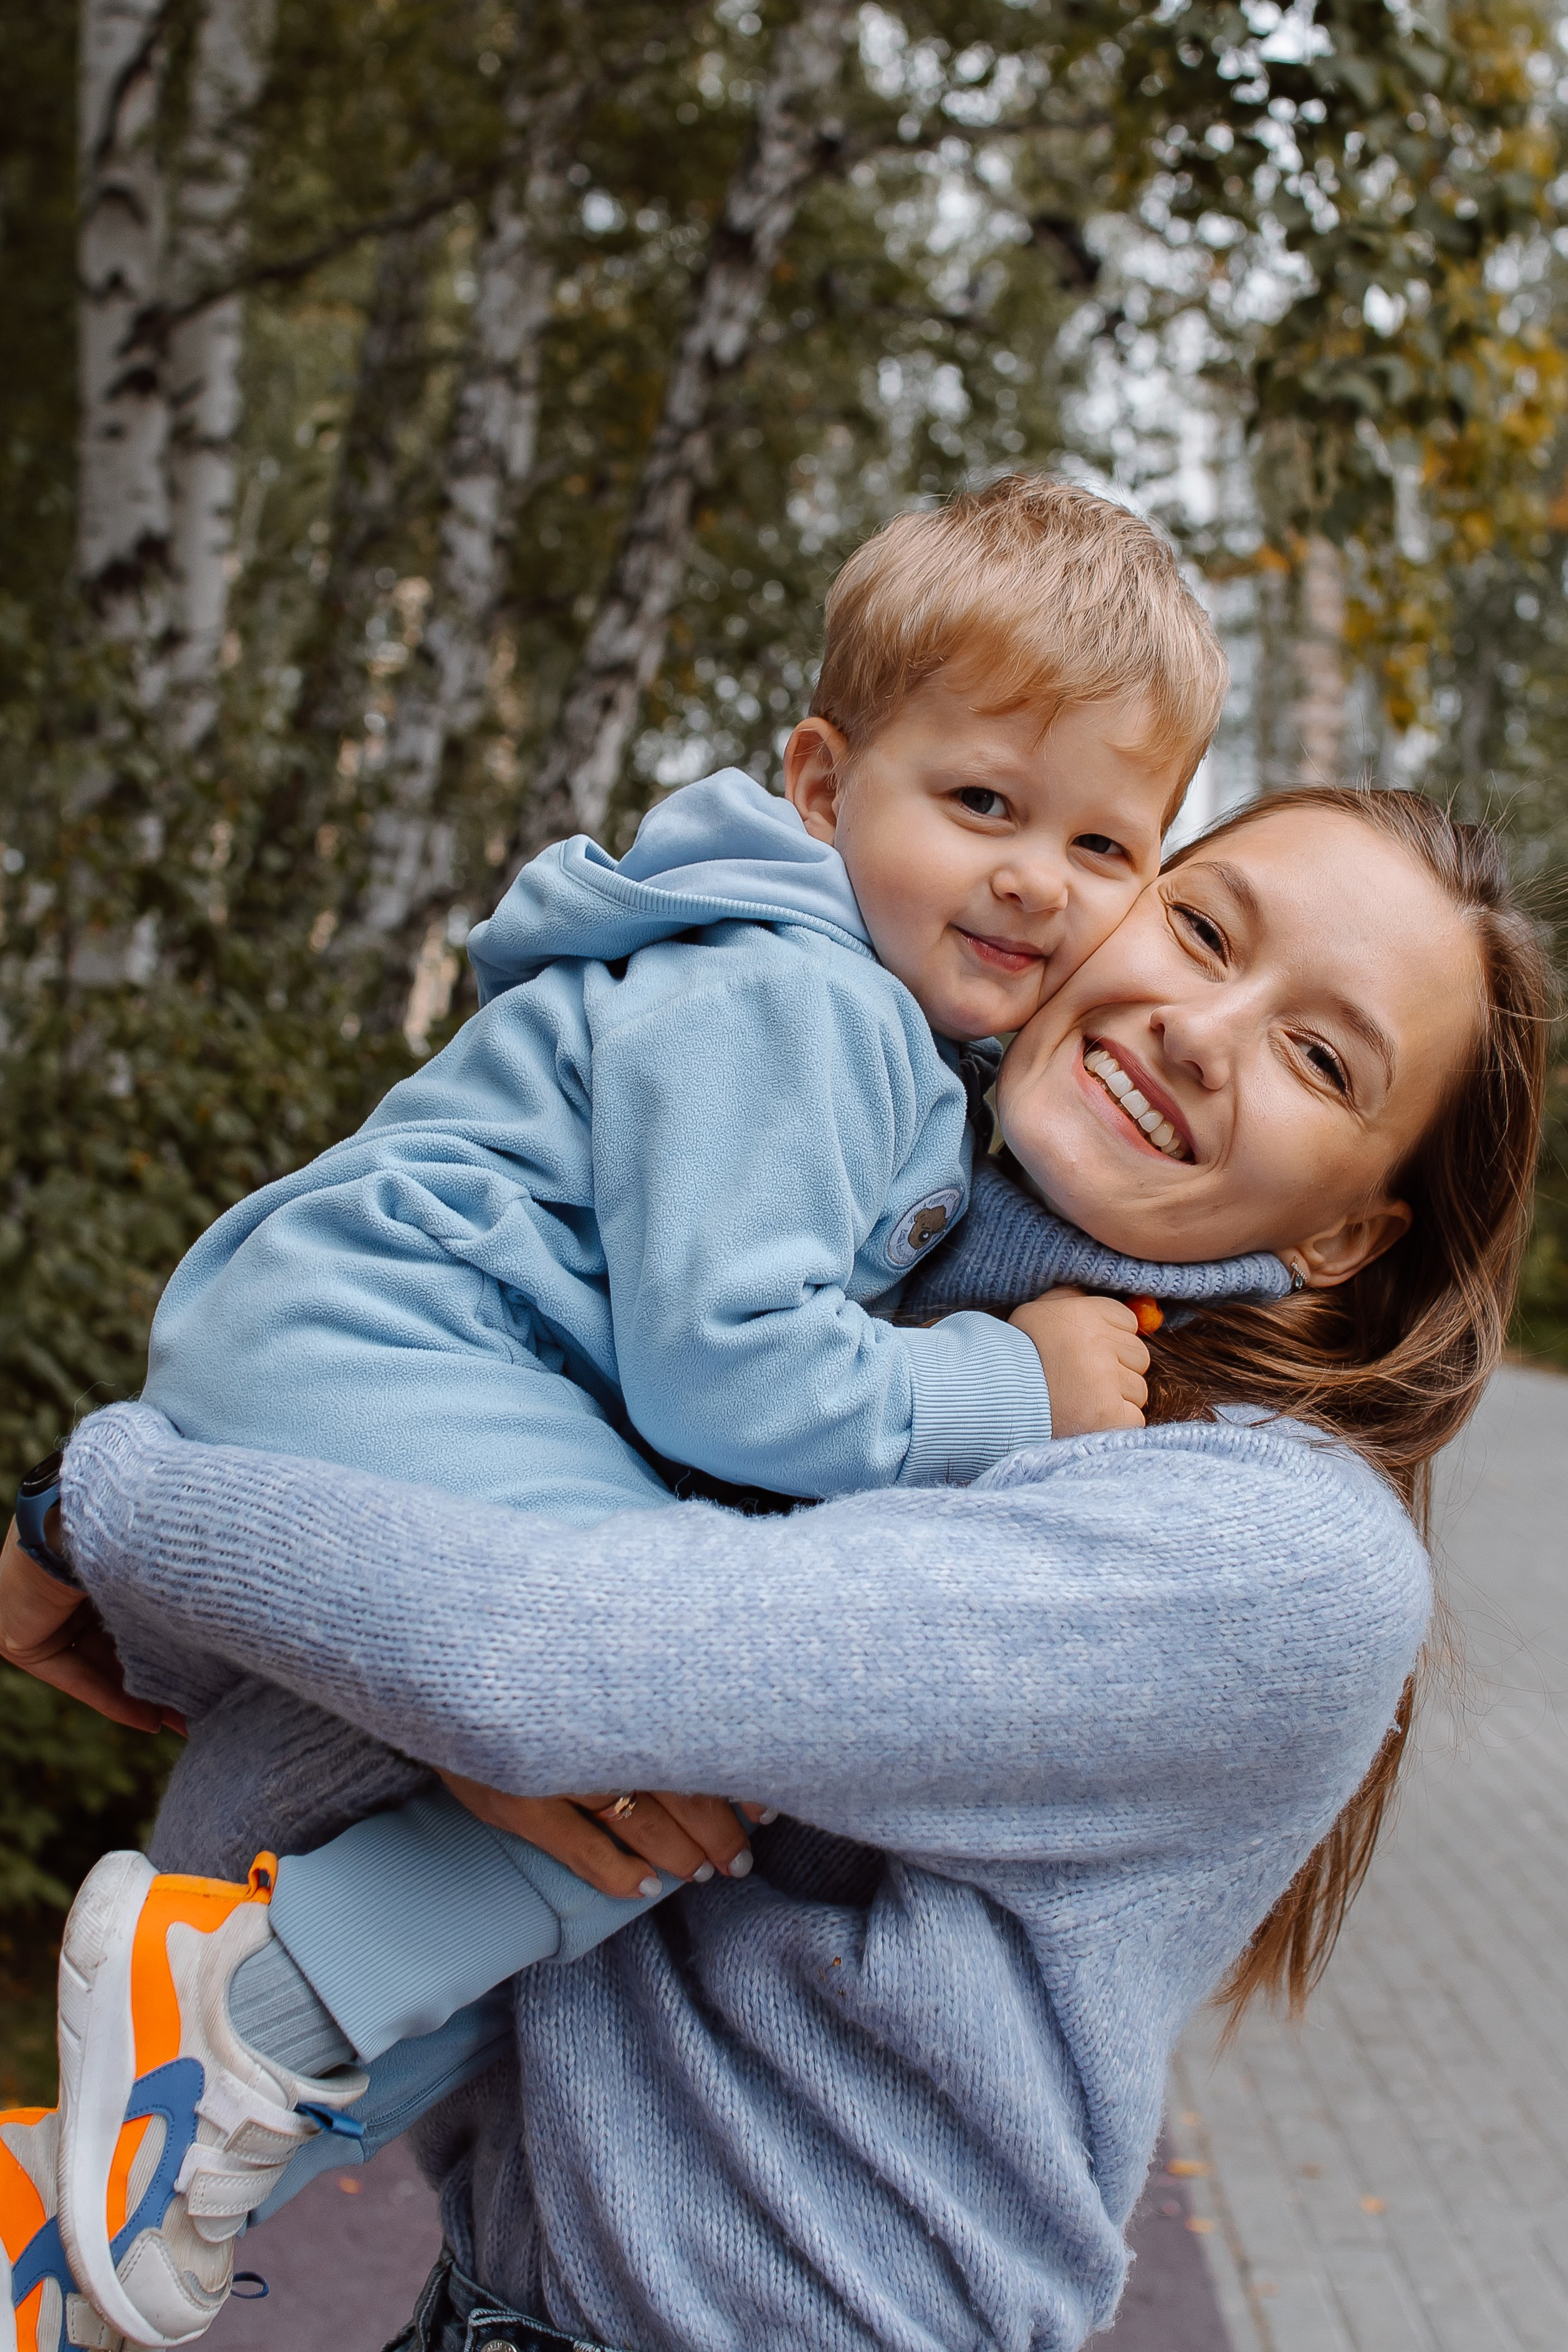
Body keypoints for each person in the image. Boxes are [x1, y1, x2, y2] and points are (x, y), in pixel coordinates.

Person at [3, 475, 1304, 2352]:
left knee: (615, 1829)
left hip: (375, 1350)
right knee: (654, 1731)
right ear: (818, 778)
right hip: (393, 1342)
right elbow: (730, 1364)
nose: (1038, 878)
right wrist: (1009, 1379)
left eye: (1107, 846)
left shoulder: (847, 1002)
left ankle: (102, 2177)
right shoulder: (801, 998)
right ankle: (228, 2007)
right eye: (981, 804)